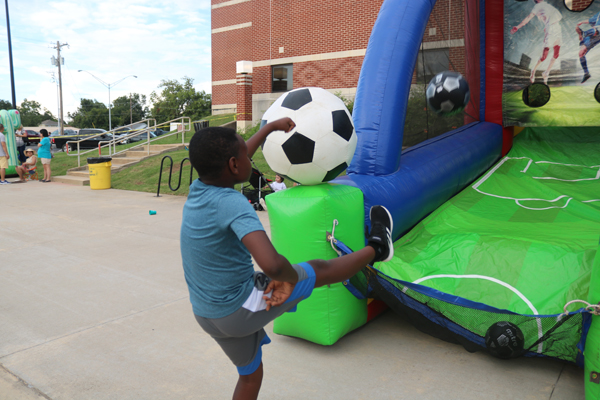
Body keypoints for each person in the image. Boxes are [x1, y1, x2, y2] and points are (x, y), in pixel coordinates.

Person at [181, 118, 394, 400]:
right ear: (233, 165)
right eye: (245, 154)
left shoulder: (199, 189)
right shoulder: (232, 203)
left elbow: (235, 156)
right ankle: (379, 248)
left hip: (206, 313)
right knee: (319, 269)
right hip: (239, 307)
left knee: (250, 375)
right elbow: (272, 265)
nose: (249, 156)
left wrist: (269, 129)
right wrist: (292, 279)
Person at [511, 0, 563, 84]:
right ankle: (533, 70)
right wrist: (518, 26)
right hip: (550, 29)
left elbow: (549, 16)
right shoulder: (537, 6)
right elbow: (529, 17)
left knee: (556, 55)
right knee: (544, 56)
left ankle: (546, 73)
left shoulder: (546, 4)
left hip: (557, 27)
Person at [576, 11, 600, 83]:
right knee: (581, 53)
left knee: (595, 30)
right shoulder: (599, 14)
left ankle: (585, 33)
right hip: (593, 36)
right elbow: (591, 20)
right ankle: (586, 74)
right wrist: (582, 22)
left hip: (596, 32)